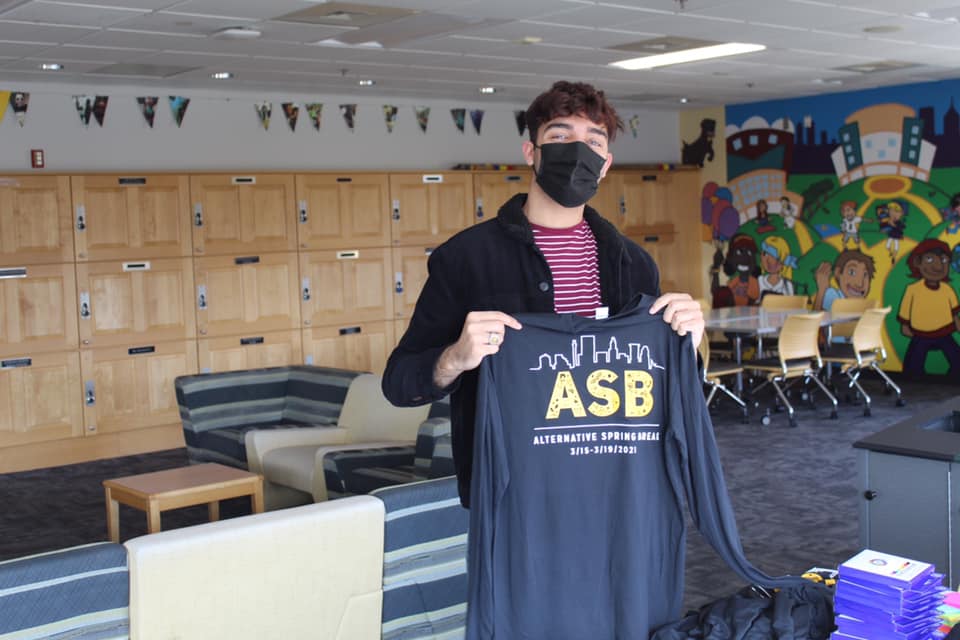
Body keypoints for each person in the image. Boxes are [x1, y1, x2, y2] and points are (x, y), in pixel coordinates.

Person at [381, 80, 704, 505]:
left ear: (605, 164)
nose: (577, 151)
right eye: (559, 136)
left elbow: (665, 389)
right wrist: (455, 358)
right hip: (515, 492)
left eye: (593, 141)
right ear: (530, 153)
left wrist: (688, 347)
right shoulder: (465, 258)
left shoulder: (633, 263)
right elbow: (399, 383)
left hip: (617, 486)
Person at [897, 239, 960, 376]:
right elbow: (904, 322)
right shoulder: (912, 290)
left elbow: (956, 317)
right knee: (912, 367)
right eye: (930, 259)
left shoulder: (947, 290)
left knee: (957, 361)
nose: (938, 267)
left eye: (943, 260)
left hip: (944, 333)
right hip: (920, 335)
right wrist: (910, 331)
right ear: (918, 263)